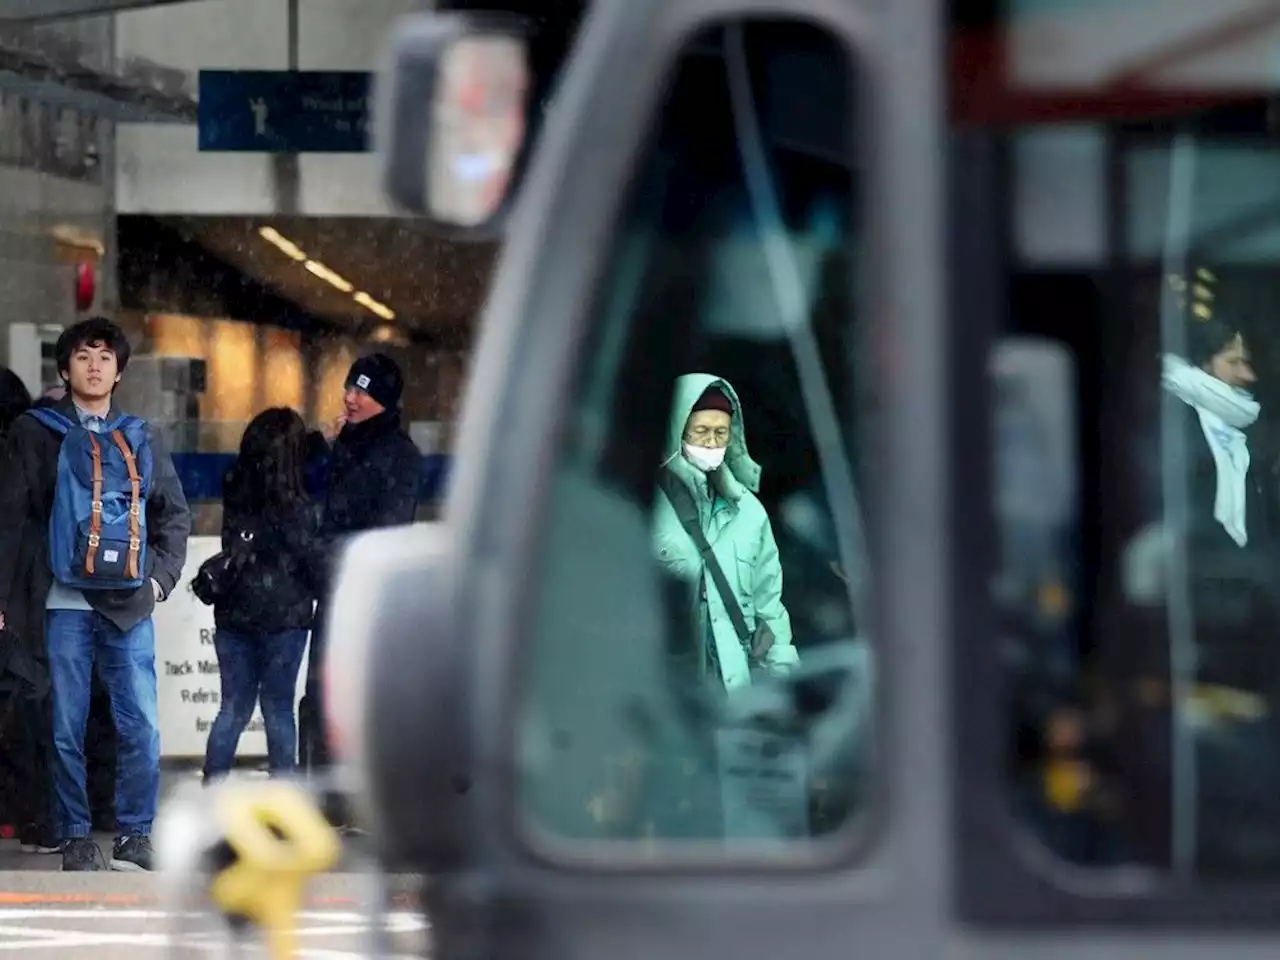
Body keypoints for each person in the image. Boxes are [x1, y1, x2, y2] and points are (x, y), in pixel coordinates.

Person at [0, 317, 191, 872]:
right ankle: (75, 835)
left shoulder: (141, 434)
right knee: (66, 724)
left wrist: (159, 579)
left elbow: (172, 515)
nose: (94, 365)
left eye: (105, 356)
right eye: (83, 355)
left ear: (120, 371)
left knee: (142, 724)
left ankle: (136, 833)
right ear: (64, 368)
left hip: (130, 604)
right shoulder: (34, 432)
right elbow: (11, 522)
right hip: (62, 603)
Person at [299, 353, 421, 789]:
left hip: (368, 596)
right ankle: (322, 794)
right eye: (348, 388)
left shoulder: (400, 456)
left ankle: (366, 794)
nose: (350, 399)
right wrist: (320, 446)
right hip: (330, 591)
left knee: (365, 697)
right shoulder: (339, 446)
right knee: (319, 695)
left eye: (362, 392)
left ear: (384, 401)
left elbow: (388, 530)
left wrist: (327, 555)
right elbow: (301, 494)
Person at [652, 374, 798, 690]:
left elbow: (771, 611)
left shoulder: (750, 514)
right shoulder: (647, 508)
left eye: (721, 432)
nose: (711, 442)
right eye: (701, 431)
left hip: (733, 701)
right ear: (678, 428)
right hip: (668, 695)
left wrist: (783, 686)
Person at [200, 408, 323, 783]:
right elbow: (307, 554)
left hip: (234, 613)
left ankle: (213, 790)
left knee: (232, 710)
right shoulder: (297, 499)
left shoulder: (236, 482)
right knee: (279, 710)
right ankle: (283, 800)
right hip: (285, 618)